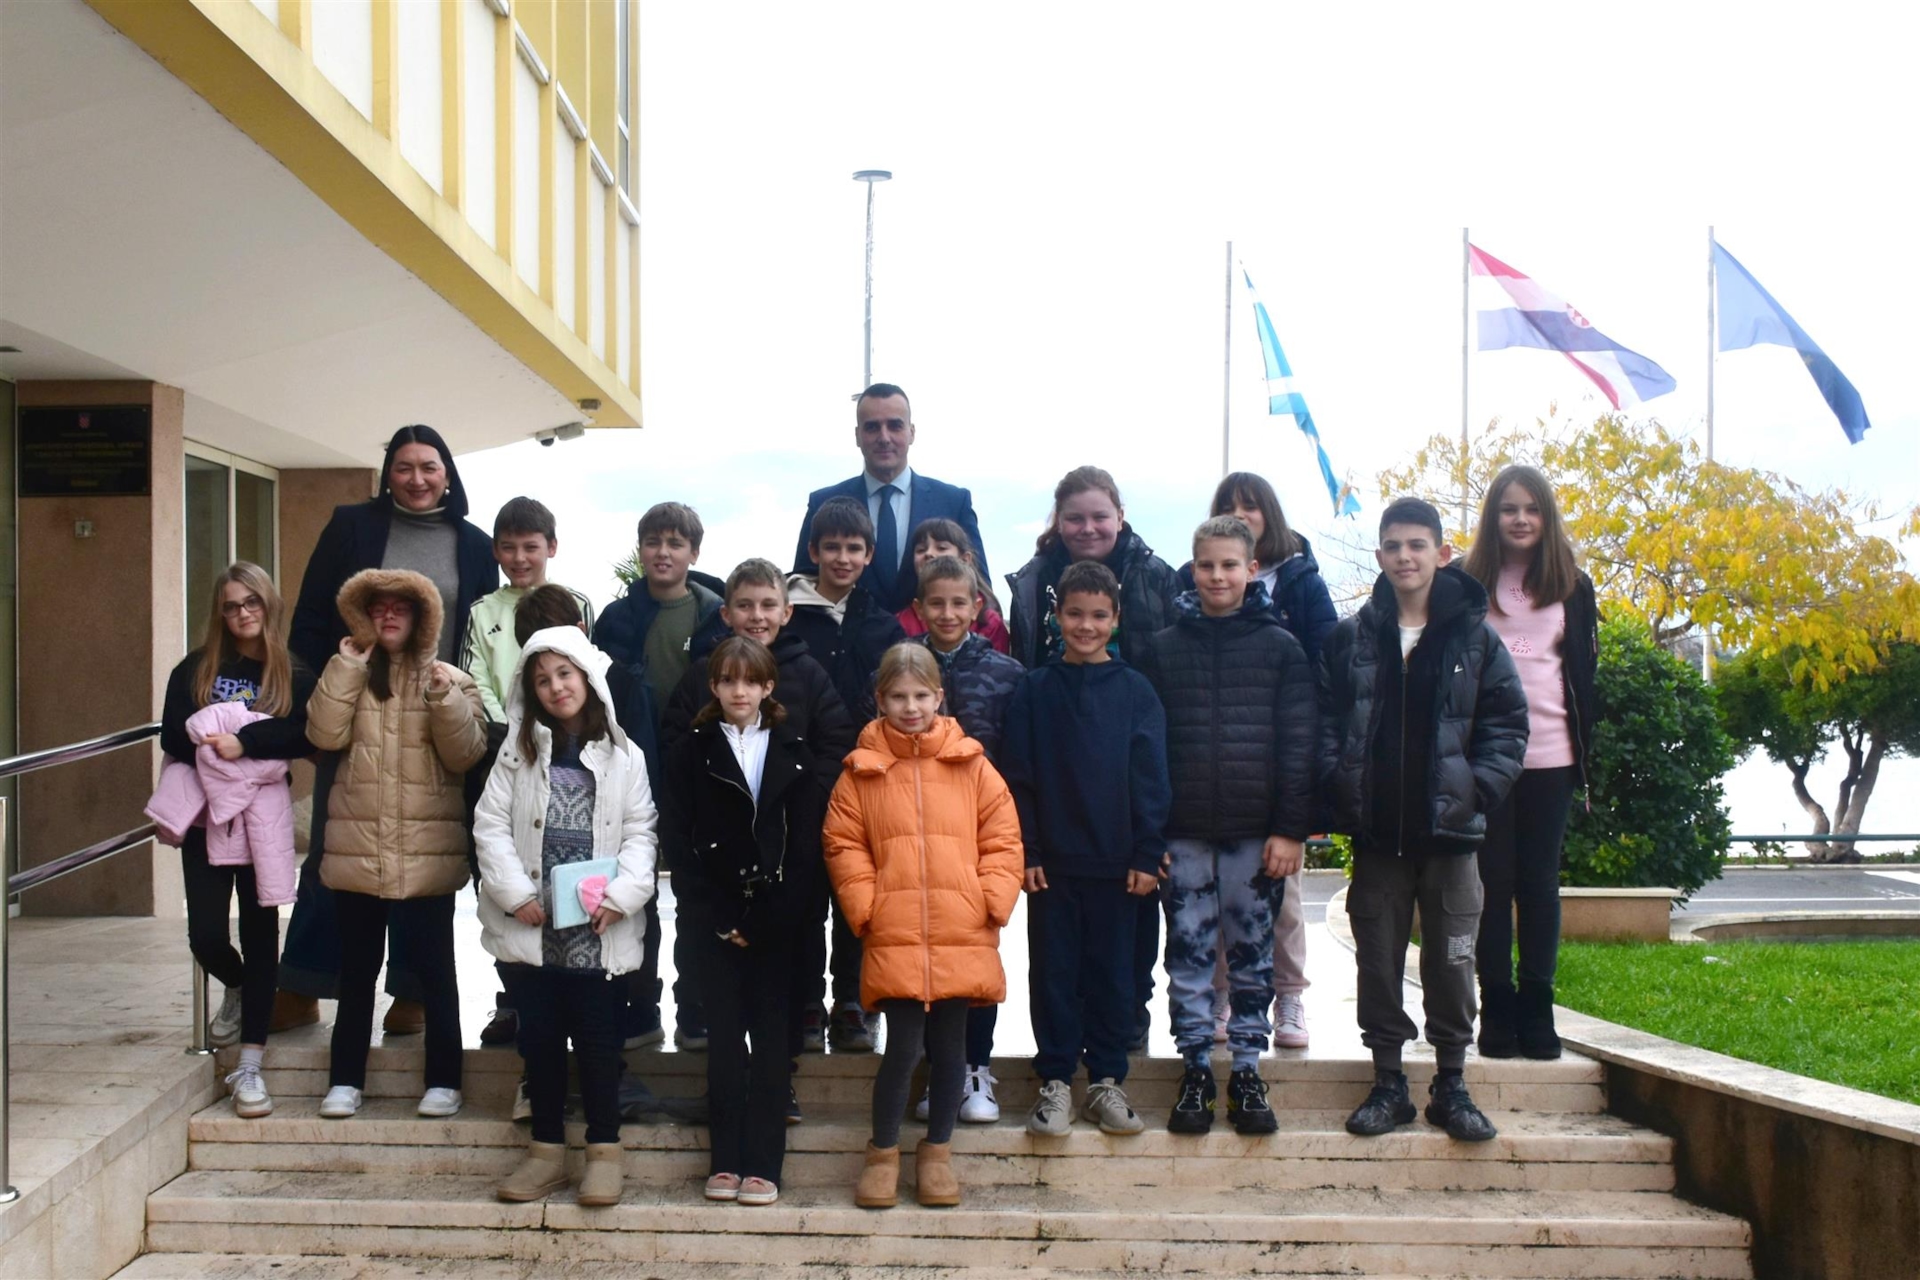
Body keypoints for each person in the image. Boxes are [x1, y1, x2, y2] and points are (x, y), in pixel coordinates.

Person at [276, 425, 498, 1033]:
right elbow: (311, 618)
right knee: (335, 852)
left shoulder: (474, 544)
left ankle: (414, 992)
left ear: (448, 475)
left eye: (429, 467)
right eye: (404, 466)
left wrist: (469, 710)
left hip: (437, 717)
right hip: (357, 714)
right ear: (387, 475)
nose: (417, 478)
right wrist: (313, 711)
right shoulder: (351, 526)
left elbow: (481, 635)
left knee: (427, 855)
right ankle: (303, 984)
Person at [1320, 498, 1528, 1144]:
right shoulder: (1351, 639)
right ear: (1379, 555)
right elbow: (1324, 724)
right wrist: (1339, 785)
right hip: (1378, 838)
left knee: (1453, 962)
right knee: (1378, 962)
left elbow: (1508, 725)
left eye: (1416, 545)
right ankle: (1388, 1083)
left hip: (1451, 840)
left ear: (1442, 553)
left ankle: (1451, 1084)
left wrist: (1475, 790)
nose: (1404, 557)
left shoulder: (1476, 638)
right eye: (1393, 546)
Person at [824, 644, 1023, 1210]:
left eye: (919, 696)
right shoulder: (861, 771)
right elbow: (844, 844)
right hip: (896, 931)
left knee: (951, 1048)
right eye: (897, 697)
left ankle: (937, 1155)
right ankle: (883, 1155)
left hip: (963, 927)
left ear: (939, 697)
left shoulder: (972, 765)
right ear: (880, 700)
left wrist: (989, 901)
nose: (910, 707)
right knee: (904, 1047)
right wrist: (868, 908)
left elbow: (1003, 839)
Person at [1140, 517, 1316, 1135]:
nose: (1217, 576)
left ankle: (1245, 1069)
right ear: (1192, 569)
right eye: (1207, 565)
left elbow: (1299, 744)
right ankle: (1194, 1067)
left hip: (1256, 835)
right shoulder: (1162, 649)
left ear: (1251, 569)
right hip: (1182, 834)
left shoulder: (1281, 648)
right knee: (1188, 955)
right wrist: (1148, 835)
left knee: (1251, 956)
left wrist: (1290, 828)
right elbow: (1144, 750)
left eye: (1230, 565)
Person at [662, 559, 856, 1117]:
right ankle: (714, 1062)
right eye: (745, 605)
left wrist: (801, 796)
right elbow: (677, 743)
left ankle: (785, 1065)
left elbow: (835, 742)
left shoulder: (809, 674)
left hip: (790, 848)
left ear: (787, 612)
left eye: (768, 605)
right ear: (725, 613)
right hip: (719, 856)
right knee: (710, 954)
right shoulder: (703, 673)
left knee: (793, 951)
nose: (757, 615)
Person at [475, 625, 657, 1209]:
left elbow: (641, 833)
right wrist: (512, 894)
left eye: (565, 674)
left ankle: (604, 1153)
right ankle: (546, 1153)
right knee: (543, 1046)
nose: (556, 687)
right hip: (534, 928)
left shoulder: (626, 757)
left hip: (598, 931)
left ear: (588, 677)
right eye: (542, 679)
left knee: (600, 1047)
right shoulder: (515, 755)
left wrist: (621, 896)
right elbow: (490, 826)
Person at [1005, 465, 1180, 1051]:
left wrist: (1150, 840)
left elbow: (1152, 764)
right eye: (1074, 517)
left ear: (1120, 517)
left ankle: (1120, 1040)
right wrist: (1027, 844)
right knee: (1058, 959)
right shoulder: (1033, 582)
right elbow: (1022, 765)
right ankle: (1060, 1059)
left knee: (1125, 949)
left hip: (1122, 805)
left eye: (1099, 515)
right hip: (1057, 786)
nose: (1087, 527)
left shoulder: (1156, 577)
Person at [306, 569, 490, 1122]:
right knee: (357, 971)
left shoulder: (452, 679)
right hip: (358, 848)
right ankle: (345, 1080)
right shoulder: (348, 670)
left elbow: (466, 754)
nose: (388, 615)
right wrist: (346, 667)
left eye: (400, 608)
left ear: (422, 617)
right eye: (378, 607)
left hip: (427, 849)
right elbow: (322, 735)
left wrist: (443, 696)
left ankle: (444, 1081)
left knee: (436, 973)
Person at [1001, 561, 1170, 1138]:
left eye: (1099, 615)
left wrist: (1147, 853)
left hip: (1120, 868)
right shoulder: (1034, 689)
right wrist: (1027, 850)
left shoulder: (1135, 690)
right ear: (1056, 616)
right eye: (1075, 614)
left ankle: (1106, 1081)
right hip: (1052, 867)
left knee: (1114, 976)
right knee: (1053, 974)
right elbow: (1019, 776)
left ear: (1116, 618)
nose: (1086, 625)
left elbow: (1151, 778)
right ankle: (1054, 1082)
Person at [662, 637, 824, 1208]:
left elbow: (805, 848)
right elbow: (678, 841)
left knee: (774, 1044)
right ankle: (725, 1161)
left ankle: (763, 1164)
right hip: (716, 921)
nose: (739, 691)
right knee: (725, 1043)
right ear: (713, 686)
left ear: (767, 687)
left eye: (750, 681)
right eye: (728, 680)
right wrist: (721, 915)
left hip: (777, 923)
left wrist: (771, 917)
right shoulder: (690, 751)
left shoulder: (795, 751)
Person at [1178, 472, 1336, 1051]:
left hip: (1269, 780)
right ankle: (1220, 996)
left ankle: (1289, 994)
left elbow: (1324, 663)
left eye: (1251, 506)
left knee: (1282, 903)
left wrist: (1297, 812)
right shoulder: (1184, 611)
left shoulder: (1298, 584)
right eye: (1229, 505)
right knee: (1214, 909)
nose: (1241, 513)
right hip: (1206, 788)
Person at [158, 562, 316, 1118]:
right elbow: (174, 732)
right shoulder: (195, 667)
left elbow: (305, 734)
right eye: (231, 606)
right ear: (219, 613)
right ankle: (244, 987)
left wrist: (241, 741)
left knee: (260, 931)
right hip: (206, 815)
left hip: (261, 820)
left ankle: (250, 1063)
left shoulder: (293, 671)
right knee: (205, 935)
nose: (242, 613)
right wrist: (225, 742)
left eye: (251, 602)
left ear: (268, 605)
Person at [1462, 465, 1597, 1060]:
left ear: (1547, 516)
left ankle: (1538, 1006)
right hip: (1484, 762)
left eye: (1532, 509)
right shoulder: (1467, 583)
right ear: (1493, 517)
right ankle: (1496, 1005)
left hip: (1552, 757)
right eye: (1509, 509)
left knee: (1539, 885)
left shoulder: (1573, 585)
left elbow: (1582, 674)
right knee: (1490, 885)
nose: (1520, 519)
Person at [461, 497, 597, 1051]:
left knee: (563, 879)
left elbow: (584, 672)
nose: (520, 557)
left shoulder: (576, 603)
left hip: (566, 755)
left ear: (551, 548)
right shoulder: (482, 610)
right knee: (503, 878)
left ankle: (571, 997)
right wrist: (511, 727)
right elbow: (475, 679)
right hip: (502, 753)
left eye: (531, 547)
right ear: (496, 551)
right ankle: (513, 999)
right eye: (509, 547)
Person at [593, 501, 727, 1052]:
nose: (663, 552)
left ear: (694, 552)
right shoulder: (617, 618)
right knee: (634, 890)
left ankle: (696, 1008)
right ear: (640, 549)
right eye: (653, 542)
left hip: (700, 772)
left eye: (675, 543)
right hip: (632, 770)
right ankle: (639, 1007)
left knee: (698, 895)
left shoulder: (717, 615)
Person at [785, 496, 906, 1051]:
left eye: (853, 548)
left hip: (866, 779)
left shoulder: (881, 624)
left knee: (858, 894)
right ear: (813, 551)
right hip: (802, 777)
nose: (842, 557)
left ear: (869, 555)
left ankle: (853, 1003)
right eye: (831, 547)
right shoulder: (788, 615)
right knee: (807, 894)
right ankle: (808, 1002)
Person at [909, 555, 1025, 1122]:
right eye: (936, 603)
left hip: (979, 840)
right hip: (914, 836)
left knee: (975, 956)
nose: (948, 613)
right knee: (925, 959)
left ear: (978, 607)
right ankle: (939, 1070)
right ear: (919, 608)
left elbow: (1021, 761)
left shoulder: (1007, 674)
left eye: (959, 602)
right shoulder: (903, 667)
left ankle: (976, 1068)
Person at [792, 383, 990, 614]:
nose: (884, 437)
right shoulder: (823, 503)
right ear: (857, 436)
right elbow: (803, 592)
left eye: (895, 426)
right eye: (872, 427)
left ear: (912, 432)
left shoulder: (954, 503)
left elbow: (981, 591)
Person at [895, 518, 1010, 654]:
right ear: (919, 609)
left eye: (941, 548)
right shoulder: (901, 621)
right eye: (921, 550)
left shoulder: (988, 621)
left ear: (965, 559)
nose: (929, 553)